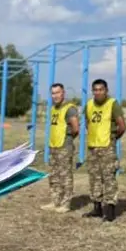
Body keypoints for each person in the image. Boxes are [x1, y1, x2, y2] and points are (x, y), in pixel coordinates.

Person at [83, 79, 126, 222]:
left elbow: (122, 126)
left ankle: (110, 210)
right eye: (95, 90)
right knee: (94, 178)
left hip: (107, 147)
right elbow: (88, 123)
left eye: (101, 90)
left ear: (106, 90)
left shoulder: (112, 104)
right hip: (92, 147)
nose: (98, 92)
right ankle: (97, 208)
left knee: (109, 179)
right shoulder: (89, 105)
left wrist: (113, 138)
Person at [42, 83, 80, 213]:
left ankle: (65, 204)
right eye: (53, 93)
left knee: (65, 176)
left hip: (64, 147)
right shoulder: (53, 109)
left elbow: (75, 128)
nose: (55, 96)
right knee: (54, 176)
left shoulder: (70, 108)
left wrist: (68, 139)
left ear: (63, 93)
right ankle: (55, 201)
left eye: (58, 92)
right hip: (53, 146)